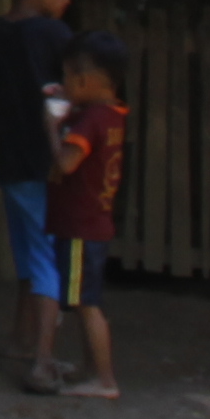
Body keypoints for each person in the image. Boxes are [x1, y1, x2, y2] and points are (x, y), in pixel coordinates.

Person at [0, 0, 85, 392]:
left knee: (28, 257)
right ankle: (42, 360)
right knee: (48, 260)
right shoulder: (54, 36)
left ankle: (21, 340)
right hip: (46, 165)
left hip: (8, 162)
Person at [39, 32, 134, 398]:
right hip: (95, 222)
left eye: (68, 78)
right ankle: (91, 367)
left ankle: (105, 380)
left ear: (85, 79)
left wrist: (52, 128)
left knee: (86, 304)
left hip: (80, 227)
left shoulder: (90, 121)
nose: (65, 85)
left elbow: (66, 163)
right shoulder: (112, 114)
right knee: (84, 299)